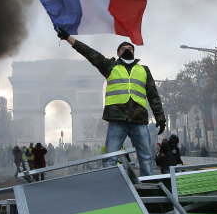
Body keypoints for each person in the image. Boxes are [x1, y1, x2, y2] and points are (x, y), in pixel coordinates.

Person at [56, 28, 166, 176]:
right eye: (123, 48)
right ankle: (112, 186)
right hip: (117, 119)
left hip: (138, 119)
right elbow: (89, 52)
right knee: (110, 158)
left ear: (134, 52)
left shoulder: (144, 70)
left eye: (130, 48)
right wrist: (69, 38)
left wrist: (160, 117)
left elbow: (154, 96)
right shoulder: (110, 66)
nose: (127, 50)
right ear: (118, 53)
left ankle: (150, 188)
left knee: (146, 158)